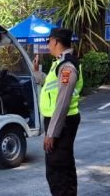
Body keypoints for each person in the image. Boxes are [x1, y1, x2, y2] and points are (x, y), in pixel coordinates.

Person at [34, 28, 82, 196]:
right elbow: (51, 85)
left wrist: (52, 133)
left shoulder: (67, 66)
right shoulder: (60, 62)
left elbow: (62, 102)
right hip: (61, 121)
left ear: (55, 41)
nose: (48, 45)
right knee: (62, 166)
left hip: (62, 122)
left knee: (58, 169)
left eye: (48, 41)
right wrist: (36, 72)